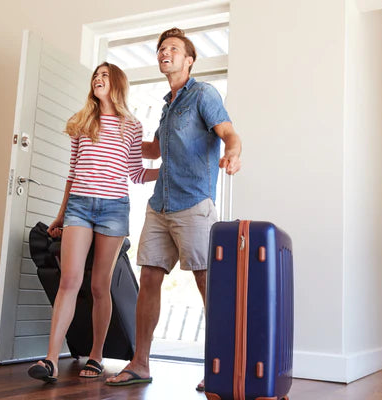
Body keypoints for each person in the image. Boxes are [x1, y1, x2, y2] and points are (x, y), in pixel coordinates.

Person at [105, 28, 242, 391]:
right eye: (161, 49)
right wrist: (122, 133)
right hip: (159, 205)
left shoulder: (203, 95)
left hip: (194, 203)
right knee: (149, 277)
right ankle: (140, 364)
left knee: (206, 281)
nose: (165, 53)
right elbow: (153, 150)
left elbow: (228, 132)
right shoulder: (167, 107)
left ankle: (220, 366)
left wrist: (232, 151)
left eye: (173, 49)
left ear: (189, 59)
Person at [27, 62, 159, 382]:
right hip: (80, 208)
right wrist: (60, 216)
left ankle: (97, 355)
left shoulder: (131, 126)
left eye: (104, 75)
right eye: (95, 76)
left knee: (100, 286)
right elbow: (72, 173)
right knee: (69, 281)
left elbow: (136, 174)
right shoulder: (82, 122)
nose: (98, 79)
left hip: (114, 210)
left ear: (116, 84)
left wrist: (167, 171)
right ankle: (50, 361)